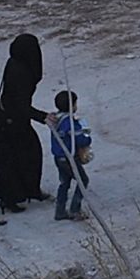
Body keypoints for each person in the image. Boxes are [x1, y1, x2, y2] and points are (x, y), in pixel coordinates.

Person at [0, 34, 53, 220]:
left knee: (27, 156)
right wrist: (43, 117)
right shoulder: (21, 72)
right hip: (9, 122)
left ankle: (29, 190)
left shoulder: (15, 63)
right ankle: (9, 198)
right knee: (13, 161)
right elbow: (19, 104)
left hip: (11, 120)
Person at [49, 89, 92, 222]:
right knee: (83, 180)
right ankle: (75, 209)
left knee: (64, 183)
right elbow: (81, 140)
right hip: (69, 158)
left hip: (58, 157)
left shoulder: (55, 119)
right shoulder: (70, 123)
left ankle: (60, 211)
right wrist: (87, 136)